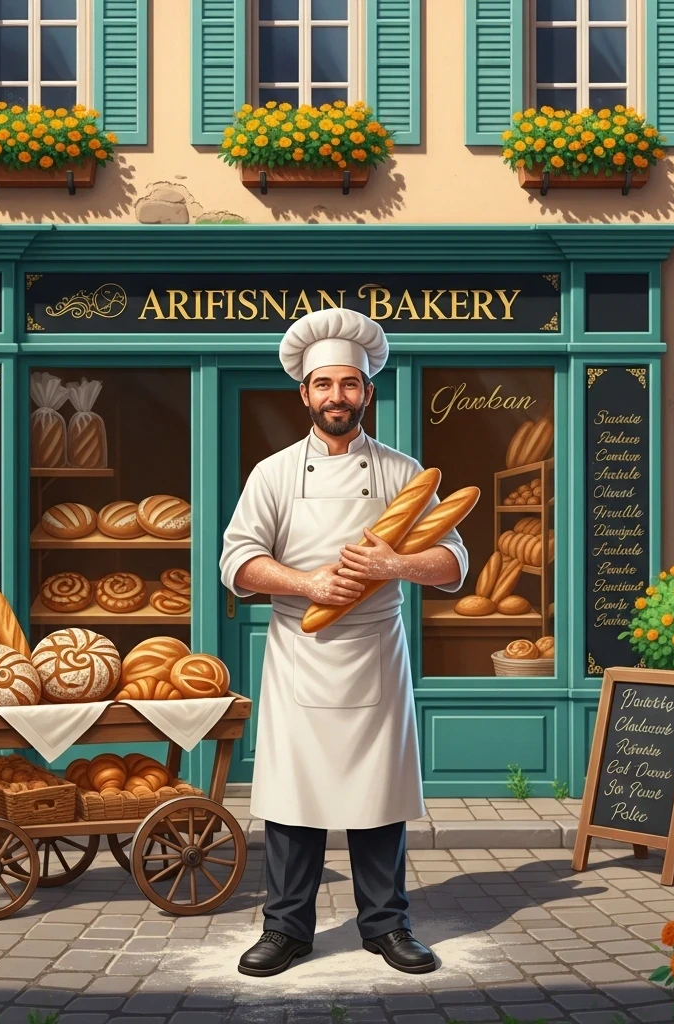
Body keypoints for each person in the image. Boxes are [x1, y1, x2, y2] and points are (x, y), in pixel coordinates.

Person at [219, 308, 469, 978]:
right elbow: (238, 563)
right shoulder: (271, 474)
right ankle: (287, 929)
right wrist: (307, 583)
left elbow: (453, 565)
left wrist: (393, 567)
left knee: (377, 797)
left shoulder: (400, 471)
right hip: (300, 650)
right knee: (295, 800)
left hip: (375, 653)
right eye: (324, 384)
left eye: (349, 385)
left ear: (367, 391)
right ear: (304, 393)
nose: (337, 396)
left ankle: (387, 928)